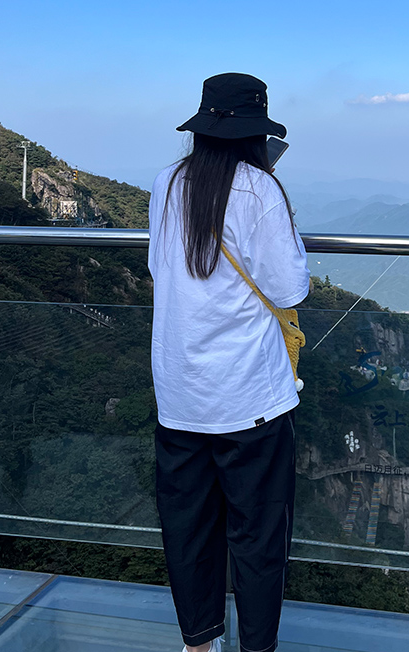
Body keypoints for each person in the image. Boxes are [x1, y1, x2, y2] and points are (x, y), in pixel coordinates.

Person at [148, 73, 310, 652]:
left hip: (180, 393)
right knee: (258, 538)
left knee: (189, 530)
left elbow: (159, 267)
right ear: (256, 135)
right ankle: (256, 647)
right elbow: (289, 287)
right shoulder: (260, 191)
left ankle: (198, 644)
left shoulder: (168, 182)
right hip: (249, 398)